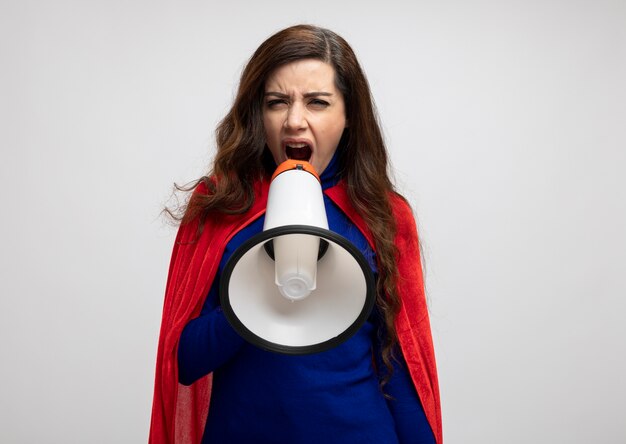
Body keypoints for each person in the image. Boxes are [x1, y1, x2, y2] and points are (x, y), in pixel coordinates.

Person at [149, 24, 442, 444]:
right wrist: (258, 296)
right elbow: (184, 361)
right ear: (257, 113)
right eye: (277, 102)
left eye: (318, 102)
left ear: (348, 116)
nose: (294, 121)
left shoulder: (383, 213)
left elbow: (402, 366)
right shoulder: (220, 203)